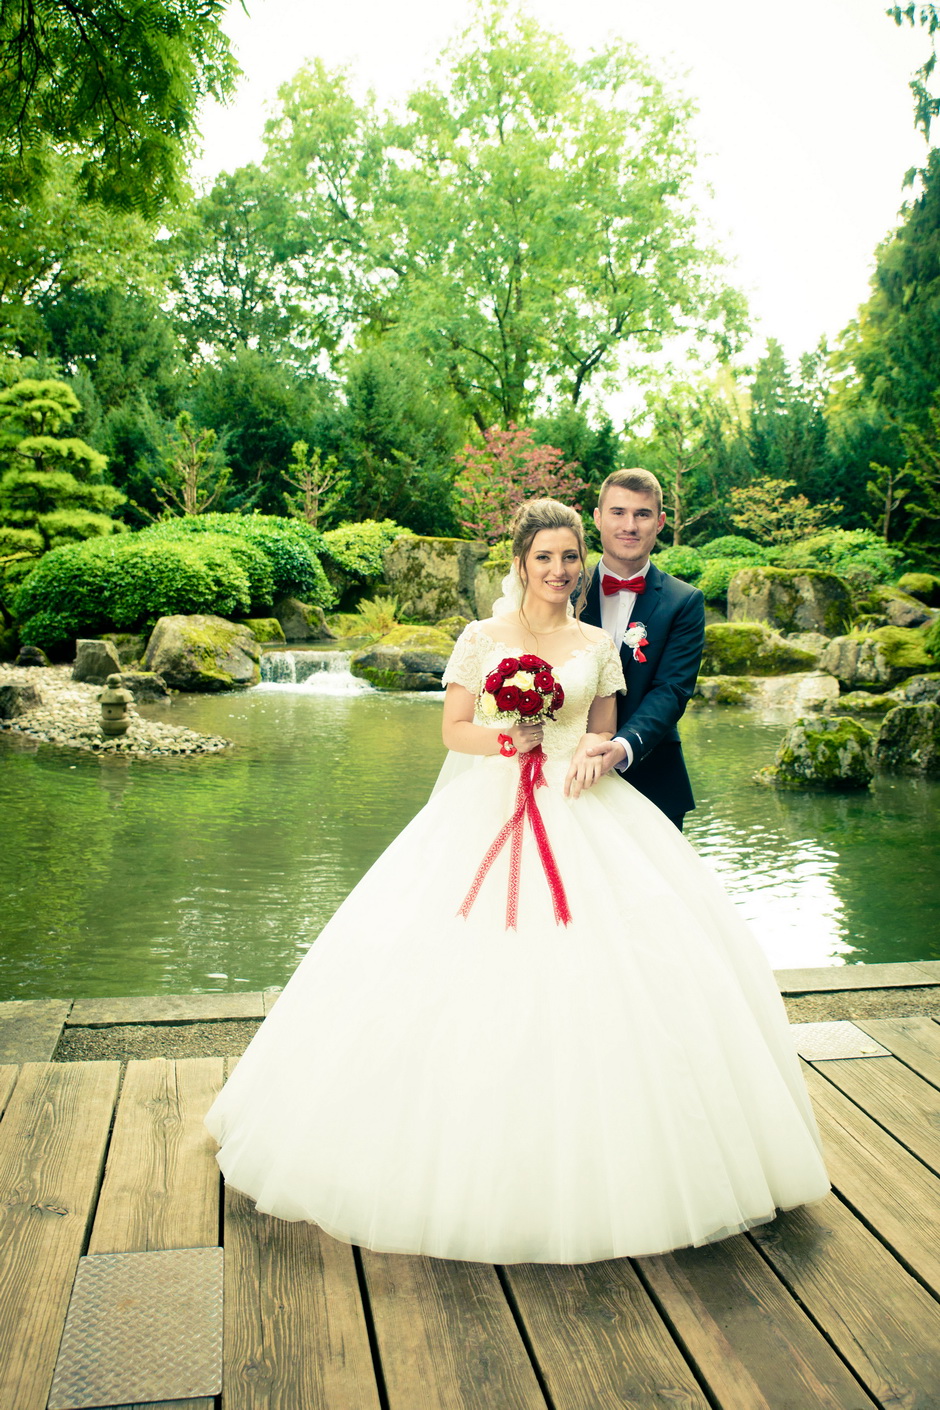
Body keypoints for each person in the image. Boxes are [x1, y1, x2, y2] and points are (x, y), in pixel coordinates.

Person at [205, 498, 828, 1265]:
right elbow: (454, 730)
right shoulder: (480, 637)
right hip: (491, 801)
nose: (562, 571)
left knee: (620, 969)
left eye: (571, 558)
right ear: (521, 562)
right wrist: (509, 740)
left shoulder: (598, 642)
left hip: (581, 804)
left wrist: (595, 750)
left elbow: (603, 727)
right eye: (546, 558)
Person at [581, 468, 705, 830]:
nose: (629, 525)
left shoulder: (685, 601)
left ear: (660, 522)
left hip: (652, 778)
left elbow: (672, 690)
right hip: (564, 777)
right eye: (618, 512)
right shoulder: (564, 589)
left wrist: (622, 746)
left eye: (642, 514)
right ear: (599, 518)